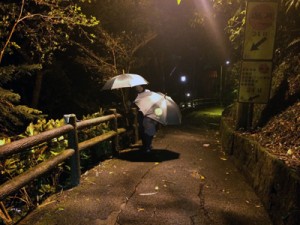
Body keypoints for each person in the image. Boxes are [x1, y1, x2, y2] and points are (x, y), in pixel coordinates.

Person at [134, 85, 157, 153]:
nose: (137, 89)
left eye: (138, 87)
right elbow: (136, 104)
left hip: (148, 114)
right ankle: (146, 145)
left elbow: (152, 102)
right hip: (141, 114)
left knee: (149, 130)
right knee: (142, 131)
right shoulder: (137, 95)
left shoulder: (147, 92)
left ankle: (148, 145)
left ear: (141, 87)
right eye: (136, 88)